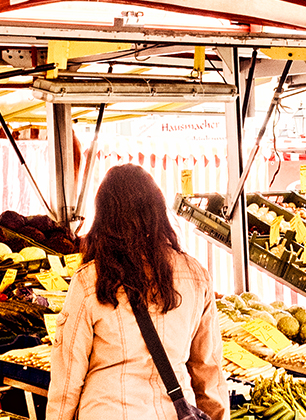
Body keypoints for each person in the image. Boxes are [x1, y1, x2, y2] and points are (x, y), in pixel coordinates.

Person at [48, 164, 227, 420]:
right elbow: (208, 369)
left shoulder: (91, 280)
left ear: (104, 216)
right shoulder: (195, 274)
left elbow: (68, 378)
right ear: (158, 211)